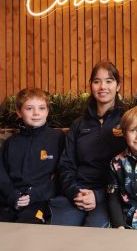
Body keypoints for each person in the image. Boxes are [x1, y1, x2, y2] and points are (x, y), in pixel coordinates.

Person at [50, 61, 127, 227]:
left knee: (94, 235)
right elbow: (66, 165)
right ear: (91, 86)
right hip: (77, 193)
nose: (102, 87)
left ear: (118, 86)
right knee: (59, 233)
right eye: (97, 81)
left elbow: (134, 168)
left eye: (109, 81)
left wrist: (98, 195)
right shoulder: (79, 124)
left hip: (110, 196)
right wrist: (74, 192)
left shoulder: (128, 121)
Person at [0, 88, 64, 224]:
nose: (36, 113)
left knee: (29, 223)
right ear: (19, 112)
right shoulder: (11, 143)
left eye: (41, 108)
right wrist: (13, 196)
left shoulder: (58, 139)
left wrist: (35, 195)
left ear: (47, 111)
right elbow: (1, 175)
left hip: (40, 202)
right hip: (11, 201)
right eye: (29, 108)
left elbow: (61, 175)